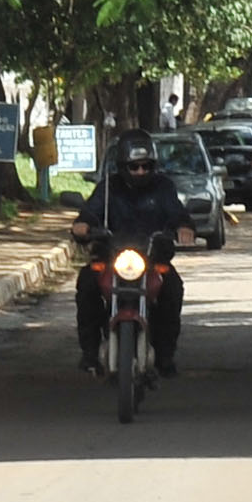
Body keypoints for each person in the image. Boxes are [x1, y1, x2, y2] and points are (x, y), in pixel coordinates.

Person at [71, 130, 193, 377]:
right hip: (110, 259)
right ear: (122, 166)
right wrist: (82, 224)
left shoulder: (163, 187)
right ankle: (90, 353)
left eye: (146, 166)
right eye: (134, 167)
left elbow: (177, 213)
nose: (140, 171)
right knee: (87, 284)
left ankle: (165, 356)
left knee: (173, 289)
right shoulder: (109, 187)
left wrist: (184, 227)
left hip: (152, 259)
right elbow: (91, 211)